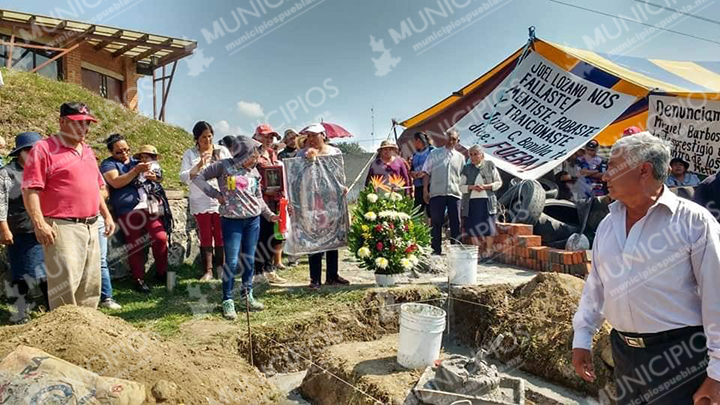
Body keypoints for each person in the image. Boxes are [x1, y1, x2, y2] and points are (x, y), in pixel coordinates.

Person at [571, 132, 720, 405]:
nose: (605, 176)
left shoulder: (694, 223)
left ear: (643, 170)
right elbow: (597, 286)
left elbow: (717, 296)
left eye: (613, 168)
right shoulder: (608, 223)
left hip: (679, 357)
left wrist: (717, 373)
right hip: (624, 354)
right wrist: (582, 336)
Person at [21, 102, 115, 310]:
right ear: (62, 122)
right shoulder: (43, 149)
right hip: (62, 227)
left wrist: (106, 215)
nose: (84, 129)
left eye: (87, 124)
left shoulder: (88, 150)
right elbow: (30, 190)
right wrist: (39, 223)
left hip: (91, 225)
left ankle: (85, 333)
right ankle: (64, 337)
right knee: (65, 285)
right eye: (77, 123)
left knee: (90, 285)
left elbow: (95, 187)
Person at [193, 135, 279, 319]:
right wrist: (216, 194)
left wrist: (269, 215)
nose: (256, 159)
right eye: (254, 155)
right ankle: (227, 299)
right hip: (232, 221)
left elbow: (258, 198)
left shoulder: (254, 172)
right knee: (231, 261)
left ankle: (247, 295)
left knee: (249, 259)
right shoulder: (224, 166)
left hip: (253, 220)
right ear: (244, 153)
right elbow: (199, 178)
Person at [101, 134, 168, 293]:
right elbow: (116, 182)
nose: (124, 154)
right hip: (128, 211)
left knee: (160, 237)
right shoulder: (108, 164)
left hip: (149, 207)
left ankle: (161, 272)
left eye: (127, 150)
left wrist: (155, 177)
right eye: (119, 152)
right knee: (135, 244)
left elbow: (158, 175)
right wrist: (135, 171)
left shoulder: (137, 161)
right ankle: (138, 279)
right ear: (111, 152)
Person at [297, 123, 351, 289]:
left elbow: (338, 173)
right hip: (312, 201)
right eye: (309, 136)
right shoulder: (301, 154)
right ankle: (315, 279)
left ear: (323, 135)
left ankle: (332, 275)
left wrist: (342, 187)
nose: (312, 139)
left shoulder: (334, 152)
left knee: (332, 237)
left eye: (315, 135)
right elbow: (296, 175)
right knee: (315, 238)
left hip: (331, 200)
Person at [0, 132, 48, 323]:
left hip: (42, 227)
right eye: (30, 150)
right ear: (20, 152)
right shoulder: (6, 173)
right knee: (22, 272)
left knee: (46, 271)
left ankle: (54, 308)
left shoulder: (41, 171)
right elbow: (1, 203)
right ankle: (19, 313)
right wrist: (4, 228)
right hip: (20, 229)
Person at [180, 121, 231, 281]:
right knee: (206, 234)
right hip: (200, 199)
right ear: (196, 138)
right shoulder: (190, 154)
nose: (207, 140)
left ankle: (221, 267)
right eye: (203, 137)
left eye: (210, 136)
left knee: (221, 233)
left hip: (220, 199)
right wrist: (200, 164)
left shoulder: (221, 151)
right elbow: (183, 177)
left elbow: (232, 169)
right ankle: (207, 270)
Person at [253, 124, 287, 285]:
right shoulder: (254, 154)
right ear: (258, 137)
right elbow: (250, 178)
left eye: (271, 137)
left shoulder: (273, 153)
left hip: (275, 202)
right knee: (261, 237)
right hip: (260, 202)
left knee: (273, 237)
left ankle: (269, 269)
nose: (269, 139)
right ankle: (258, 272)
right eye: (266, 136)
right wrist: (265, 190)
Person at [422, 129, 465, 256]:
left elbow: (463, 177)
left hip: (455, 193)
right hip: (437, 192)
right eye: (449, 138)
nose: (451, 141)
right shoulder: (434, 154)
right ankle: (436, 248)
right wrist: (425, 190)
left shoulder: (461, 158)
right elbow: (426, 172)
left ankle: (455, 249)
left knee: (455, 221)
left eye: (454, 139)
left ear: (457, 141)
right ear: (444, 138)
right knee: (436, 221)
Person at [460, 145, 502, 262]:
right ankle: (477, 253)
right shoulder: (466, 168)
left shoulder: (490, 165)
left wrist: (485, 187)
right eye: (471, 155)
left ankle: (488, 252)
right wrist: (472, 187)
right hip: (471, 202)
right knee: (472, 227)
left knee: (489, 227)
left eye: (475, 154)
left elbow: (498, 183)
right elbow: (461, 187)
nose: (473, 157)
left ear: (481, 155)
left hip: (487, 202)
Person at [98, 187, 121, 310]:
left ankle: (106, 297)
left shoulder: (92, 168)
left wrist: (107, 216)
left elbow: (104, 191)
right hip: (71, 220)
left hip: (96, 218)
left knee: (101, 260)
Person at [410, 132, 434, 216]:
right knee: (417, 210)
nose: (414, 144)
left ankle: (432, 228)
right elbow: (412, 167)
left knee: (431, 210)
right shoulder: (415, 154)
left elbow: (435, 165)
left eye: (414, 141)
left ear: (418, 140)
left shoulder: (432, 151)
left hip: (430, 185)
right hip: (418, 185)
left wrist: (423, 173)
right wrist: (413, 173)